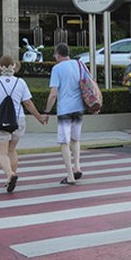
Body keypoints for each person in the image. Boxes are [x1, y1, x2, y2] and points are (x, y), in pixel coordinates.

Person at [0, 55, 46, 193]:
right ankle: (10, 177)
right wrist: (39, 117)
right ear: (14, 66)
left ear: (0, 67)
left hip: (1, 121)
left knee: (1, 152)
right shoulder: (20, 82)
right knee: (11, 150)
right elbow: (28, 103)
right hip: (18, 120)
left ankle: (10, 174)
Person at [43, 43, 84, 185]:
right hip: (79, 108)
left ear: (58, 54)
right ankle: (77, 166)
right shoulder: (79, 64)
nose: (54, 57)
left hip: (65, 110)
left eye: (55, 54)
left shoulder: (57, 68)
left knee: (64, 142)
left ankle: (70, 175)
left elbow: (53, 94)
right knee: (75, 139)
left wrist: (47, 111)